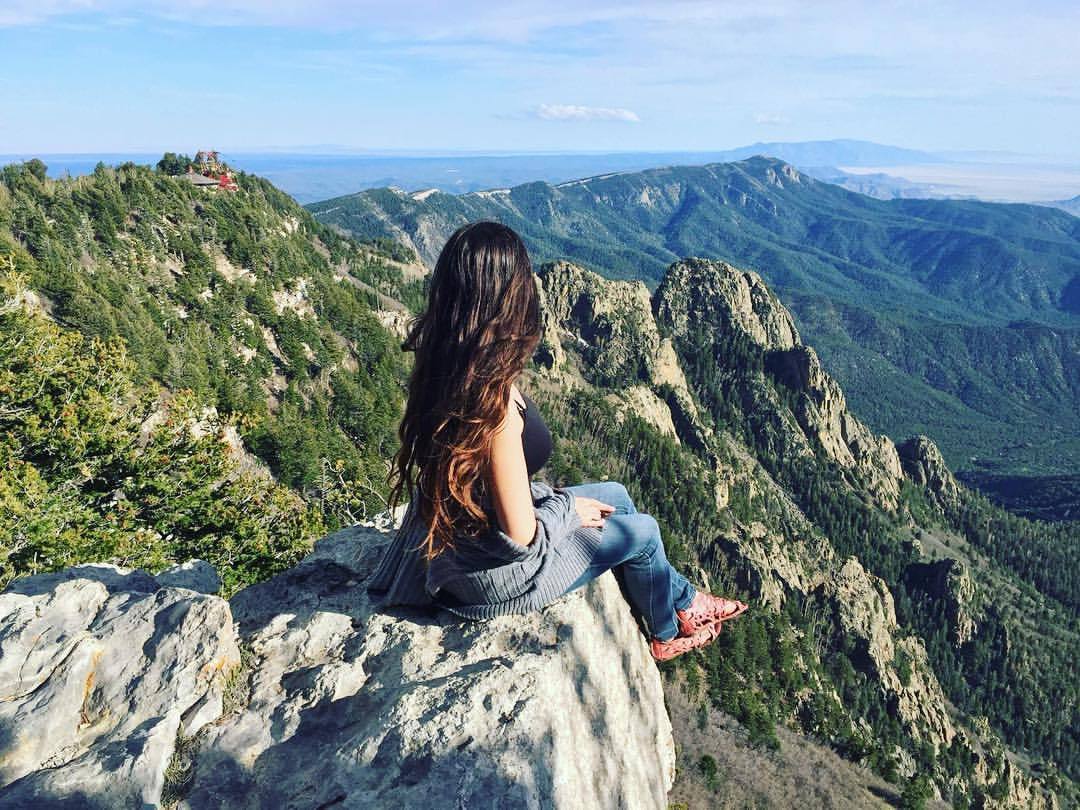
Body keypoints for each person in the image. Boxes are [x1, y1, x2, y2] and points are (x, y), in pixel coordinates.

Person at [367, 220, 747, 661]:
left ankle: (683, 601)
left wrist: (561, 505)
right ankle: (666, 632)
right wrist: (566, 510)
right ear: (508, 300)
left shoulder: (447, 364)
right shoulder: (493, 408)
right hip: (490, 571)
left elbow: (482, 487)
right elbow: (521, 535)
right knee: (643, 532)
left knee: (616, 495)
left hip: (469, 539)